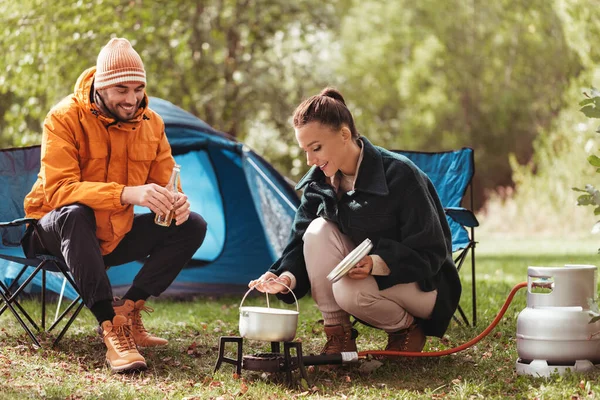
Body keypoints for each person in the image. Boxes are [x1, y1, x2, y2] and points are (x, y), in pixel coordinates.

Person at [21, 38, 208, 372]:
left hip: (111, 235)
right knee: (75, 214)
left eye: (138, 88)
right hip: (52, 230)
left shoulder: (152, 124)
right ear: (102, 86)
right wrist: (127, 194)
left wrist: (175, 202)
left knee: (192, 224)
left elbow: (167, 182)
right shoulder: (63, 118)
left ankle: (129, 309)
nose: (132, 98)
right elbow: (60, 190)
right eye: (122, 89)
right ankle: (111, 327)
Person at [249, 87, 461, 356]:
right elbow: (300, 242)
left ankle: (407, 329)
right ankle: (339, 334)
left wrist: (377, 263)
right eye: (305, 150)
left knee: (348, 288)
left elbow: (431, 252)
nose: (310, 160)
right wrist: (285, 277)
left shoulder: (400, 174)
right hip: (367, 281)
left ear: (344, 135)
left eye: (316, 148)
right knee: (316, 230)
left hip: (426, 286)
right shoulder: (318, 184)